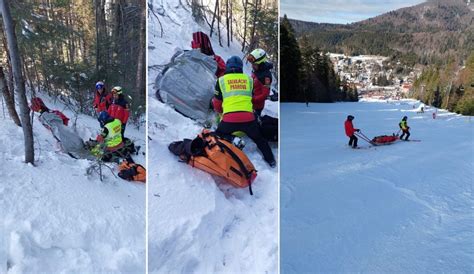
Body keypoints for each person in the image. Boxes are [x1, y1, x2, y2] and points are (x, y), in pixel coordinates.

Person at [212, 56, 276, 167]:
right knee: (260, 140)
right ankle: (271, 160)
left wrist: (221, 112)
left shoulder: (221, 81)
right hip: (249, 119)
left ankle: (233, 139)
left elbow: (217, 104)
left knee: (218, 134)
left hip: (229, 120)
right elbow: (249, 97)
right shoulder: (249, 80)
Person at [247, 48, 272, 117]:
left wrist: (252, 99)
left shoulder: (266, 77)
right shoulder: (257, 71)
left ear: (260, 64)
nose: (252, 66)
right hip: (250, 103)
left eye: (254, 64)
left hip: (256, 107)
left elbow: (265, 94)